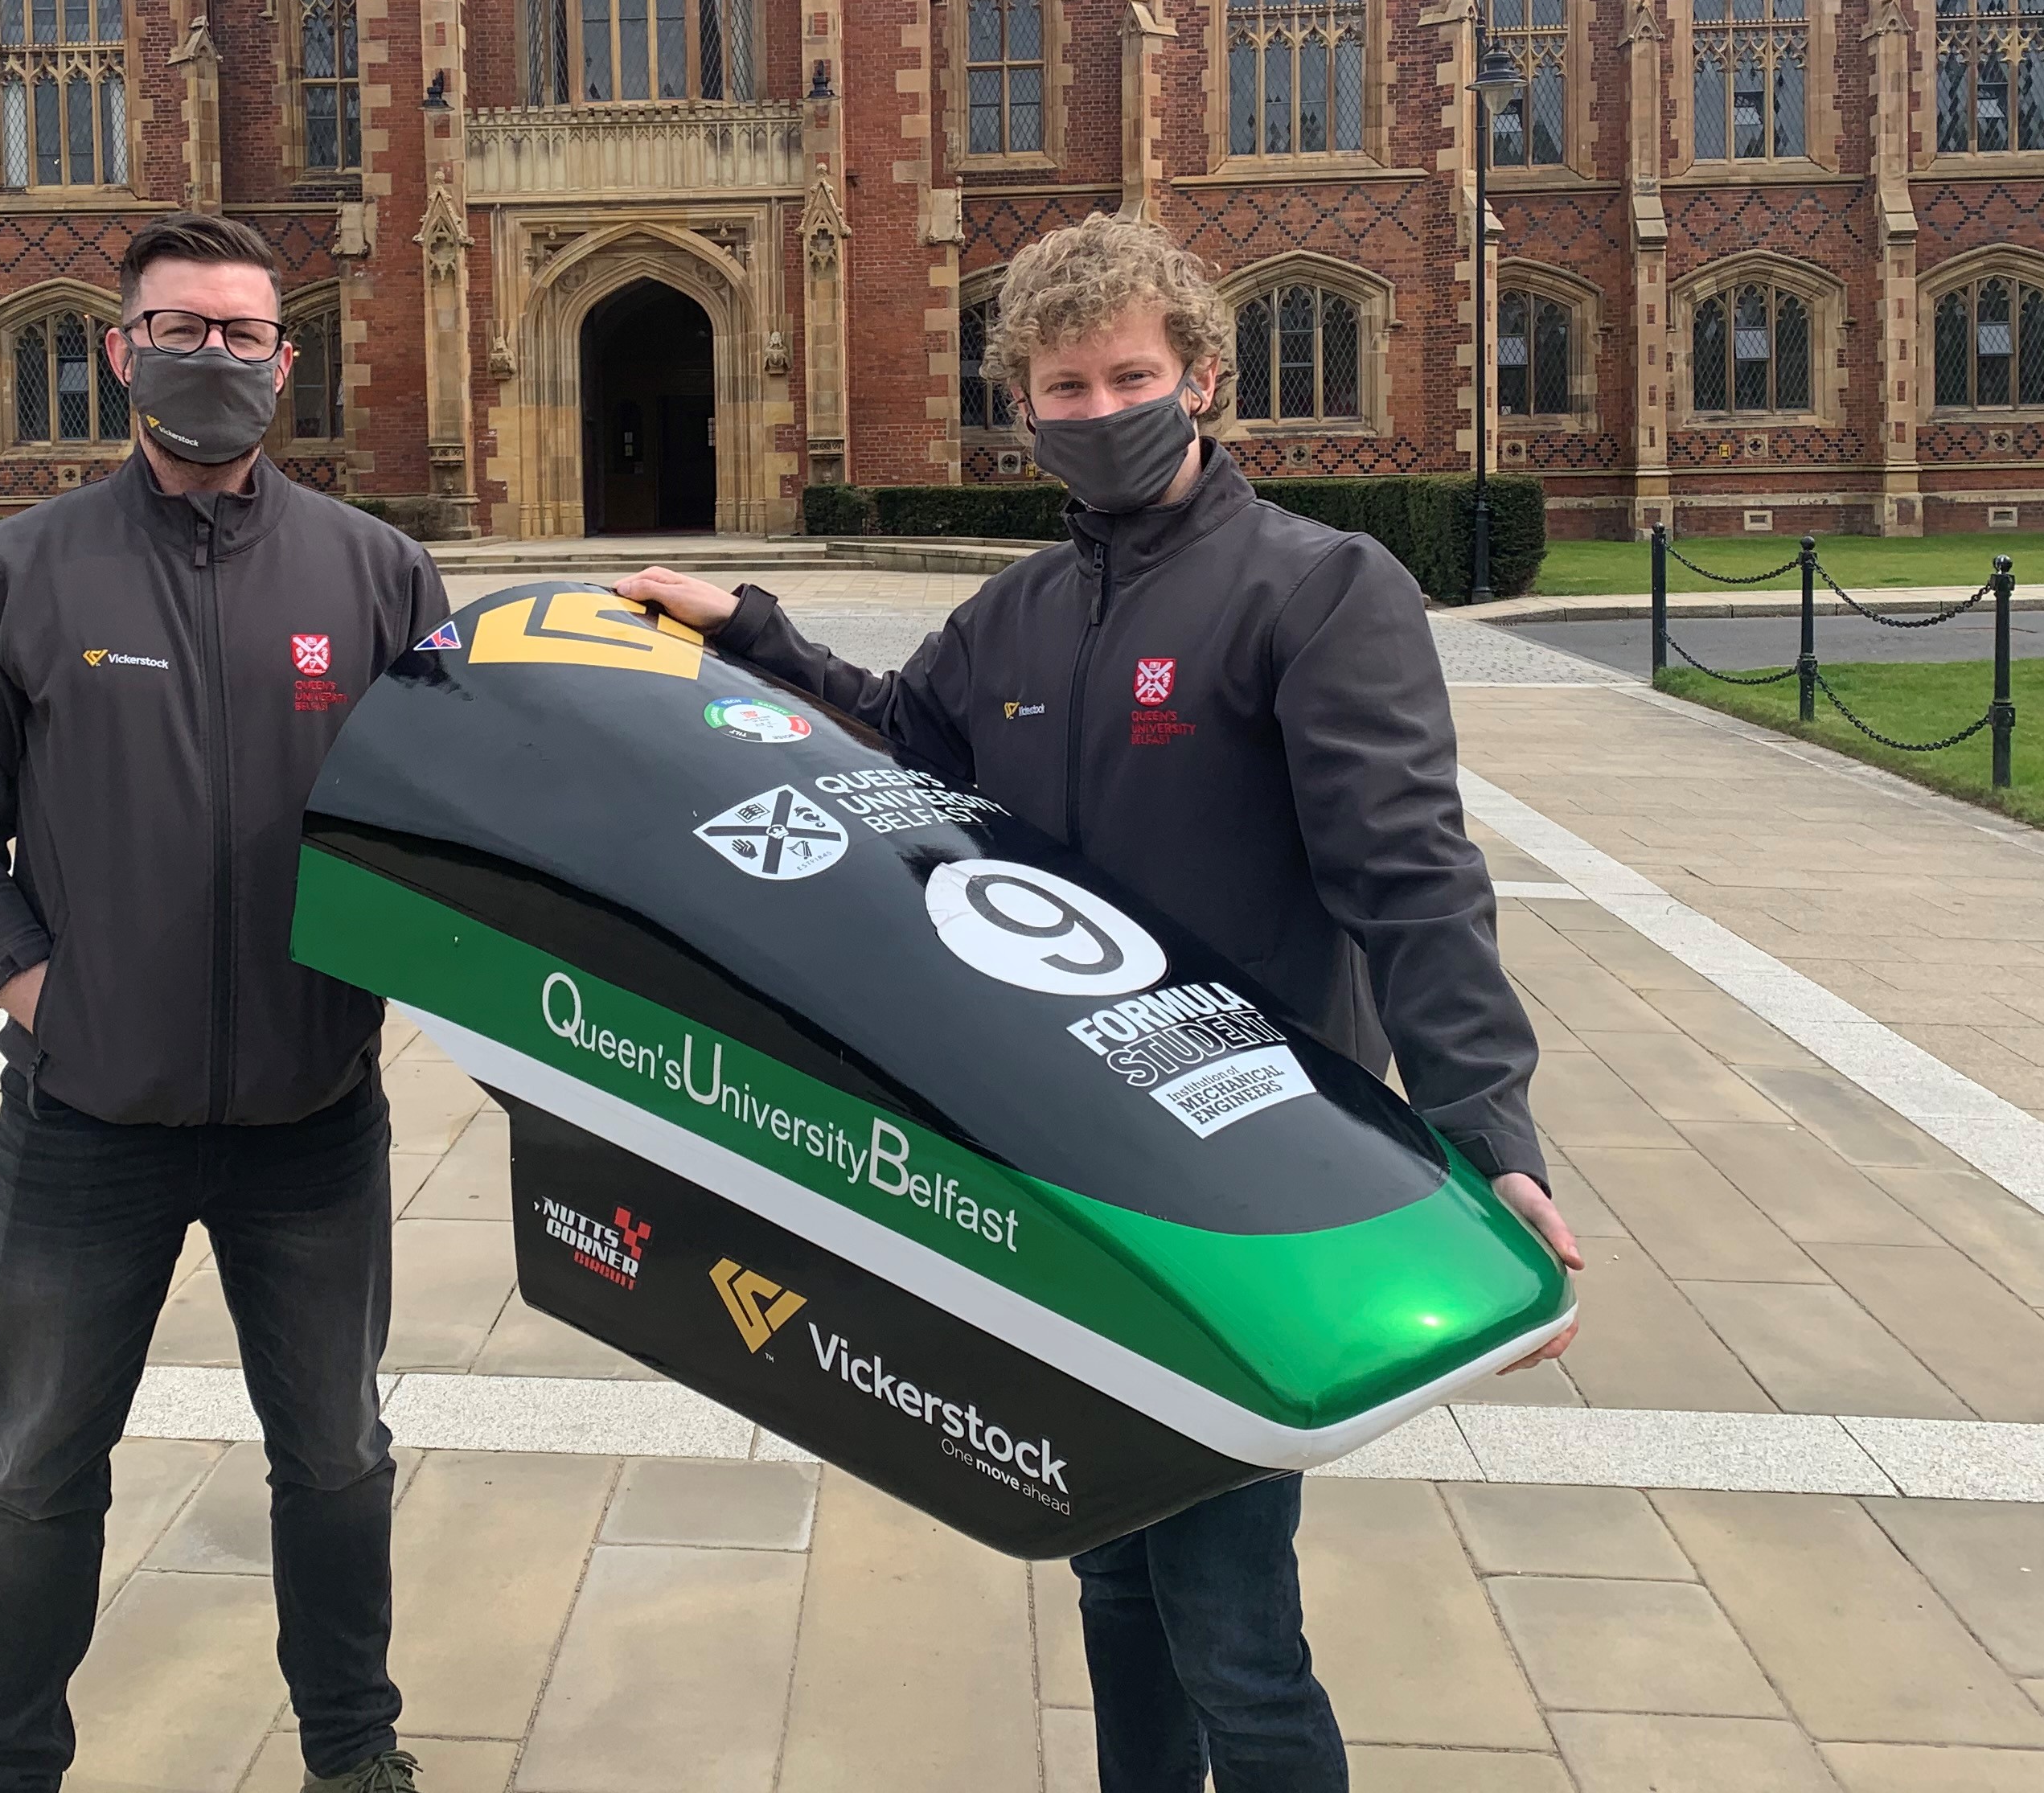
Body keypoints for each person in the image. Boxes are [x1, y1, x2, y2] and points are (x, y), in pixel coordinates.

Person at [620, 212, 1581, 1793]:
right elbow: (898, 746)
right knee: (1115, 1574)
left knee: (1232, 1622)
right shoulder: (1016, 615)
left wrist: (1486, 1132)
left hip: (1242, 1175)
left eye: (1128, 374)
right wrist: (754, 634)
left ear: (1201, 379)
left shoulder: (1320, 591)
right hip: (1064, 1163)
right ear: (1027, 412)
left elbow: (1411, 883)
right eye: (1061, 387)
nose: (1097, 409)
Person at [0, 211, 447, 1793]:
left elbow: (463, 812)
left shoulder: (378, 571)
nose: (213, 359)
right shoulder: (16, 574)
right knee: (42, 1471)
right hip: (85, 1124)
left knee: (336, 1459)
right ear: (121, 350)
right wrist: (37, 983)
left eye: (243, 336)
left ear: (285, 360)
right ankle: (6, 1767)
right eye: (179, 331)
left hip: (309, 1123)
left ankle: (355, 1757)